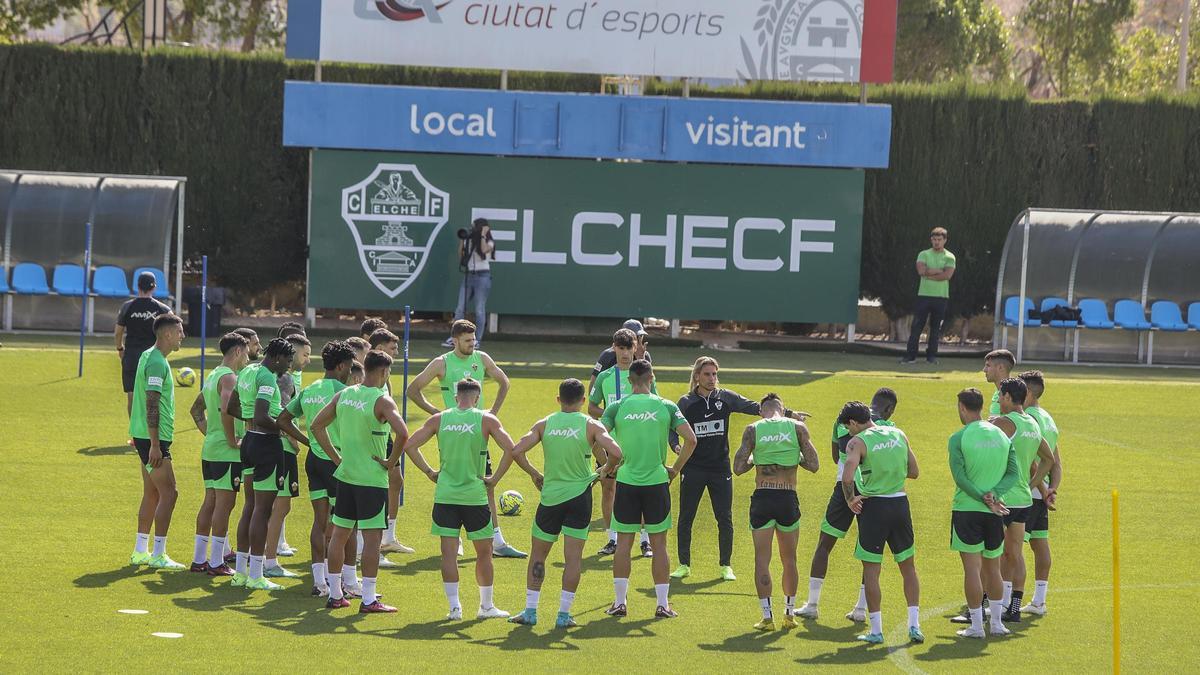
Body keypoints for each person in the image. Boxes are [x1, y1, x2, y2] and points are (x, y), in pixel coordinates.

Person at [494, 378, 623, 628]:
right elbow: (616, 452)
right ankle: (564, 615)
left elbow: (516, 450)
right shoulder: (591, 425)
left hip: (551, 499)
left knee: (539, 556)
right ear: (583, 401)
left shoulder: (545, 424)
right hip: (580, 499)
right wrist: (605, 470)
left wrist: (534, 474)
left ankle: (530, 611)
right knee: (573, 559)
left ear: (558, 399)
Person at [673, 357, 806, 582]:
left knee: (724, 517)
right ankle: (683, 564)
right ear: (697, 376)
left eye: (715, 374)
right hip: (693, 468)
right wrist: (675, 445)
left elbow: (757, 407)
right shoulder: (686, 402)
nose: (712, 379)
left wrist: (790, 414)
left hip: (720, 468)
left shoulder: (725, 397)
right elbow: (671, 426)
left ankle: (726, 565)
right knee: (687, 516)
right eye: (707, 374)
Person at [400, 377, 518, 620]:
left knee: (449, 554)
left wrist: (429, 472)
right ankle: (486, 607)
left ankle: (454, 608)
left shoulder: (439, 419)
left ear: (456, 398)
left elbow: (410, 446)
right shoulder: (486, 419)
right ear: (477, 397)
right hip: (475, 497)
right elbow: (512, 449)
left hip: (445, 496)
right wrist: (494, 478)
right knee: (484, 553)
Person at [408, 319, 523, 558]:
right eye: (468, 340)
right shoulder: (442, 363)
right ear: (455, 340)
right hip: (452, 431)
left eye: (474, 340)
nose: (473, 344)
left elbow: (504, 382)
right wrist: (437, 414)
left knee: (485, 483)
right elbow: (413, 389)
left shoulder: (481, 359)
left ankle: (497, 541)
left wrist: (493, 411)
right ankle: (457, 538)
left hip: (477, 430)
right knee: (452, 480)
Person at [309, 349, 410, 613]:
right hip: (372, 481)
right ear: (385, 372)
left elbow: (316, 426)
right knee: (372, 540)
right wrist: (390, 462)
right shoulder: (383, 401)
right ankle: (368, 599)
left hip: (346, 477)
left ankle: (334, 594)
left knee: (339, 535)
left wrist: (336, 458)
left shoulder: (344, 394)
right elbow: (403, 433)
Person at [600, 359, 697, 619]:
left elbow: (596, 436)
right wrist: (675, 469)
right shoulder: (666, 406)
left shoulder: (617, 406)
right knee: (660, 545)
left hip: (627, 482)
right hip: (657, 482)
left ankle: (620, 603)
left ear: (630, 381)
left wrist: (609, 464)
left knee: (623, 544)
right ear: (652, 378)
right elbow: (691, 439)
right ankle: (662, 605)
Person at [799, 387, 897, 621]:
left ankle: (812, 605)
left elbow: (836, 455)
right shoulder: (890, 429)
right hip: (874, 493)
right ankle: (861, 610)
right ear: (890, 409)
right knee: (871, 551)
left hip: (844, 488)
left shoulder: (842, 421)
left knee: (825, 543)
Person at [732, 393, 820, 631]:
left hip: (763, 497)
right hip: (787, 497)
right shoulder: (797, 428)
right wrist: (794, 456)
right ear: (782, 409)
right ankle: (789, 615)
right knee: (789, 559)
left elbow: (738, 467)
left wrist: (755, 458)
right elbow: (814, 464)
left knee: (762, 560)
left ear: (762, 411)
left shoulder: (753, 429)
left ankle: (767, 617)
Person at [839, 401, 923, 645]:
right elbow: (914, 471)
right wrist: (890, 471)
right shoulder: (898, 433)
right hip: (900, 504)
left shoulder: (858, 442)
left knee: (872, 571)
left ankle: (876, 630)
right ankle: (914, 626)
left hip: (874, 508)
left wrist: (850, 499)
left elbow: (847, 475)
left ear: (854, 422)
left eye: (848, 427)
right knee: (908, 568)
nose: (849, 433)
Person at [226, 338, 307, 591]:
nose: (288, 367)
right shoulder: (267, 377)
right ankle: (257, 575)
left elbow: (232, 406)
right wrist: (287, 432)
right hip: (266, 446)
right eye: (288, 361)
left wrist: (251, 421)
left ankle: (240, 572)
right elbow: (264, 415)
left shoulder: (247, 371)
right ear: (278, 357)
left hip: (250, 442)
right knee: (263, 510)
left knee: (249, 507)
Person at [277, 340, 356, 597]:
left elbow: (283, 419)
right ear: (342, 365)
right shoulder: (342, 391)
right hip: (337, 461)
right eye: (351, 367)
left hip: (314, 461)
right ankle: (347, 581)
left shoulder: (310, 389)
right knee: (347, 524)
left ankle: (319, 581)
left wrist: (307, 441)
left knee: (319, 522)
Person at [948, 387, 1019, 639]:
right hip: (994, 512)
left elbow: (960, 477)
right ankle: (997, 623)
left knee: (972, 569)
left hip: (967, 510)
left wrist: (981, 496)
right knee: (993, 569)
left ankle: (977, 627)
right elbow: (1014, 474)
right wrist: (994, 494)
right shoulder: (1002, 436)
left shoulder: (958, 438)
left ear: (962, 407)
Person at [589, 328, 659, 557]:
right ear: (614, 348)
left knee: (642, 490)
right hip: (609, 446)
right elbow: (591, 408)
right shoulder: (605, 377)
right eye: (621, 348)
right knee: (609, 489)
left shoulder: (645, 375)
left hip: (638, 445)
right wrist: (613, 415)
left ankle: (645, 540)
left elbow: (655, 404)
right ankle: (612, 539)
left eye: (630, 347)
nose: (626, 353)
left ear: (636, 348)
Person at [989, 377, 1054, 622]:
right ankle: (1013, 606)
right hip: (1024, 499)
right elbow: (1048, 459)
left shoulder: (1005, 423)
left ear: (1007, 397)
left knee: (994, 554)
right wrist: (1033, 484)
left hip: (1002, 499)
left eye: (999, 397)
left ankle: (999, 603)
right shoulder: (1032, 424)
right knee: (1014, 554)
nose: (998, 401)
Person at [187, 331, 250, 575]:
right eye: (245, 352)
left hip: (210, 449)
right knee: (225, 506)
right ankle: (216, 562)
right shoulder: (230, 378)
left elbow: (195, 410)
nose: (247, 358)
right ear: (237, 351)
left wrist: (211, 434)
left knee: (209, 503)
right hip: (226, 453)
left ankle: (199, 559)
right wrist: (231, 440)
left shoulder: (212, 375)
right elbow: (226, 410)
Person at [128, 313, 186, 570]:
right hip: (153, 438)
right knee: (170, 493)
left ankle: (141, 550)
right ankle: (158, 554)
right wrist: (153, 444)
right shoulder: (156, 363)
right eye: (180, 331)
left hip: (144, 434)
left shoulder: (148, 356)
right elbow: (151, 402)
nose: (183, 336)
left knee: (151, 492)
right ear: (167, 334)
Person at [263, 332, 312, 576]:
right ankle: (269, 561)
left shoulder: (268, 376)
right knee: (280, 506)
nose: (306, 360)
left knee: (267, 505)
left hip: (268, 445)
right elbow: (282, 416)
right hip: (281, 447)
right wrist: (294, 440)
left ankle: (261, 556)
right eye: (303, 355)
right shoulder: (284, 380)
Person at [1017, 370, 1062, 617]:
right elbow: (1056, 459)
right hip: (1041, 490)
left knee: (1013, 548)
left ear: (1030, 392)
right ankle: (1039, 601)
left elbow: (1033, 459)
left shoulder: (1029, 418)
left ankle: (1007, 601)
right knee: (1039, 543)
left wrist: (1042, 490)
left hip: (1027, 489)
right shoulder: (1048, 418)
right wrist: (1053, 488)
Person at [368, 327, 414, 560]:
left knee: (396, 481)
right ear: (378, 348)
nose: (397, 351)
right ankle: (370, 545)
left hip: (386, 435)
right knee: (376, 488)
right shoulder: (369, 375)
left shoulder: (386, 376)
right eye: (392, 348)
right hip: (374, 437)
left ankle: (388, 539)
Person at [115, 271, 172, 422]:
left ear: (137, 286)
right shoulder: (163, 309)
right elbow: (174, 332)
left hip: (132, 356)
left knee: (132, 395)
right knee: (154, 395)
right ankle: (152, 432)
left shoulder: (127, 307)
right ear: (154, 288)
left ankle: (135, 435)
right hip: (153, 357)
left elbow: (118, 332)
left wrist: (120, 349)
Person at [902, 227, 956, 364]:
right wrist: (938, 272)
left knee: (935, 328)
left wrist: (929, 274)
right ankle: (910, 356)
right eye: (934, 239)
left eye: (939, 240)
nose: (936, 242)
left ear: (945, 240)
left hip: (941, 297)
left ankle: (931, 357)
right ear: (931, 240)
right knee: (916, 327)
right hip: (924, 296)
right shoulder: (923, 254)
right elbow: (921, 271)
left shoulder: (950, 257)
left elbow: (947, 275)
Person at [442, 217, 495, 347]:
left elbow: (483, 250)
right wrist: (463, 240)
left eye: (475, 226)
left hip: (483, 276)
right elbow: (461, 255)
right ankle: (455, 338)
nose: (472, 229)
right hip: (469, 276)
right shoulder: (469, 241)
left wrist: (482, 235)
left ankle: (476, 340)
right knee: (460, 308)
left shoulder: (489, 241)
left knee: (479, 310)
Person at [587, 319, 652, 395]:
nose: (639, 340)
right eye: (636, 336)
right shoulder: (608, 355)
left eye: (641, 336)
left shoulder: (645, 356)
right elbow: (593, 385)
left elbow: (650, 386)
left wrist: (641, 359)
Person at [983, 349, 1015, 415]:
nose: (984, 370)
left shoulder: (1011, 396)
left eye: (988, 365)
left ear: (1000, 367)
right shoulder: (998, 392)